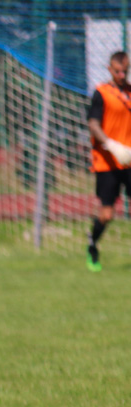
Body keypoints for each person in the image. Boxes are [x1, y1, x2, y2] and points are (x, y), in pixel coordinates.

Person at [87, 50, 131, 272]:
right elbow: (93, 124)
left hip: (129, 160)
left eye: (125, 71)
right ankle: (92, 244)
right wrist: (112, 145)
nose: (122, 75)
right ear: (109, 69)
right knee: (107, 214)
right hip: (107, 162)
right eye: (118, 71)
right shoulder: (101, 93)